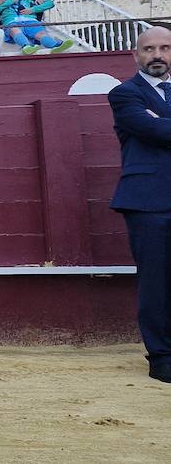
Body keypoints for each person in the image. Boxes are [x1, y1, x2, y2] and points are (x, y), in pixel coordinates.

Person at [108, 27, 171, 384]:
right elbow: (153, 132)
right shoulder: (125, 93)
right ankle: (162, 356)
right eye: (149, 49)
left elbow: (161, 128)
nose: (157, 54)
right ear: (136, 55)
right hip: (148, 201)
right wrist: (158, 125)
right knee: (156, 280)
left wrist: (159, 121)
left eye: (164, 47)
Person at [0, 0, 71, 55]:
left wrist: (33, 9)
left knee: (41, 34)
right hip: (12, 22)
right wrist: (10, 1)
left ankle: (55, 46)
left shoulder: (28, 1)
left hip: (30, 22)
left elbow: (50, 4)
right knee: (15, 30)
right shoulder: (3, 3)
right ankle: (26, 46)